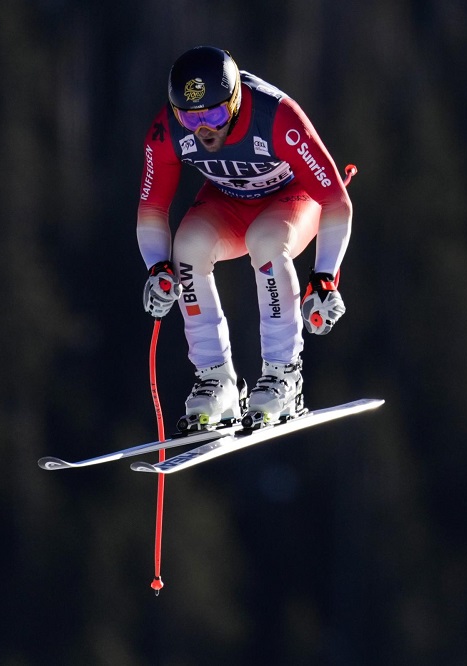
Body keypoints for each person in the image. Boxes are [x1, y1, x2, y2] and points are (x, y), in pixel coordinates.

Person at [136, 45, 352, 431]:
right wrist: (158, 268)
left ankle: (283, 376)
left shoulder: (276, 117)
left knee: (267, 243)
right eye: (190, 117)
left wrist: (324, 277)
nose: (204, 128)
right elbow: (151, 209)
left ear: (235, 101)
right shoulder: (166, 131)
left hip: (292, 199)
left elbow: (336, 200)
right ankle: (215, 380)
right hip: (230, 201)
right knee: (187, 249)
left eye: (216, 114)